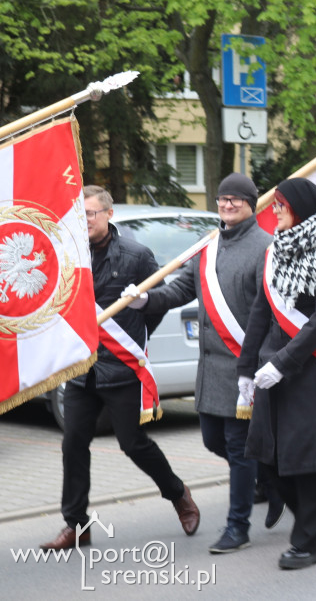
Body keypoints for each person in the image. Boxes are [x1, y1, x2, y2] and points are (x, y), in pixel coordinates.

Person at [41, 185, 200, 551]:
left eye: (91, 214)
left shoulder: (136, 255)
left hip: (121, 368)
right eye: (80, 215)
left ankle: (178, 494)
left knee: (133, 443)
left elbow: (157, 303)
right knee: (73, 443)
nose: (86, 221)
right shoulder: (69, 253)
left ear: (109, 215)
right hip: (81, 371)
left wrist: (135, 344)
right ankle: (76, 525)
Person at [125, 174, 277, 553]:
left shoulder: (265, 248)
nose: (227, 206)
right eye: (223, 199)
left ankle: (237, 527)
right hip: (210, 369)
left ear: (251, 204)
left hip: (244, 365)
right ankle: (276, 480)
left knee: (238, 448)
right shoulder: (208, 245)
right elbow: (180, 289)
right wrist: (146, 300)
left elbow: (270, 310)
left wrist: (262, 362)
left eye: (235, 201)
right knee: (212, 440)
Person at [237, 178, 316, 570]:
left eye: (281, 206)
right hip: (274, 361)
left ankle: (308, 543)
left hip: (315, 365)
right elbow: (261, 311)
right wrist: (246, 367)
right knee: (266, 455)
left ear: (300, 209)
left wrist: (282, 362)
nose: (275, 213)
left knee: (308, 457)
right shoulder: (275, 250)